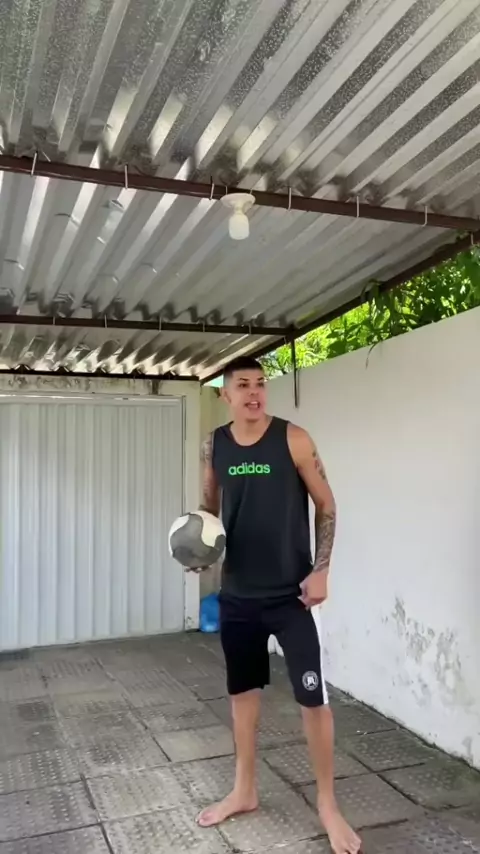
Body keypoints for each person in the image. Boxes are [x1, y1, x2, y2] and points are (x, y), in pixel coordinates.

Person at [194, 355, 361, 854]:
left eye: (261, 384)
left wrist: (322, 568)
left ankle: (327, 804)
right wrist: (197, 549)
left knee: (314, 700)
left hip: (293, 598)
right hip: (238, 596)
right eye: (243, 385)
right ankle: (244, 790)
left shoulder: (294, 438)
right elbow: (208, 511)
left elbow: (327, 504)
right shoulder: (214, 445)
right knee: (242, 696)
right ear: (225, 395)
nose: (254, 392)